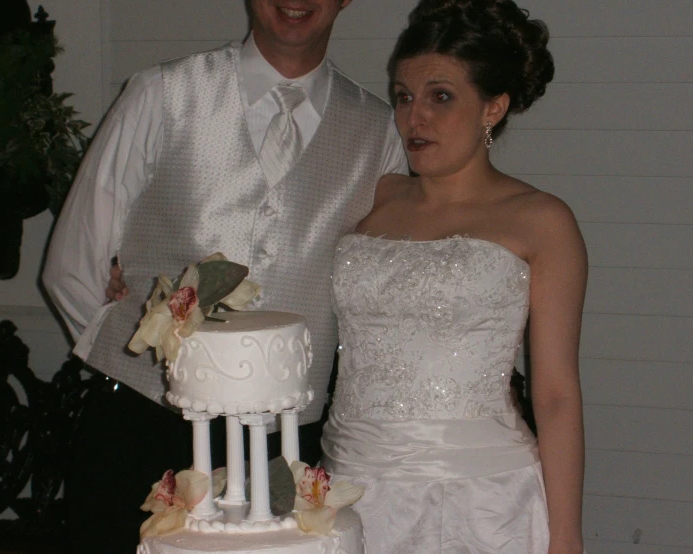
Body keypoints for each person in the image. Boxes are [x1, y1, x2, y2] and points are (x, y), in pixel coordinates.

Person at [42, 1, 407, 552]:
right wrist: (135, 360)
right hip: (142, 426)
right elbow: (72, 261)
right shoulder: (161, 94)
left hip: (287, 443)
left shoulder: (380, 131)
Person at [320, 1, 587, 553]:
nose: (414, 117)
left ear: (493, 106)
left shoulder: (541, 220)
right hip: (347, 484)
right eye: (403, 95)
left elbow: (556, 393)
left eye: (441, 96)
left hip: (478, 497)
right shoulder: (375, 196)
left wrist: (566, 537)